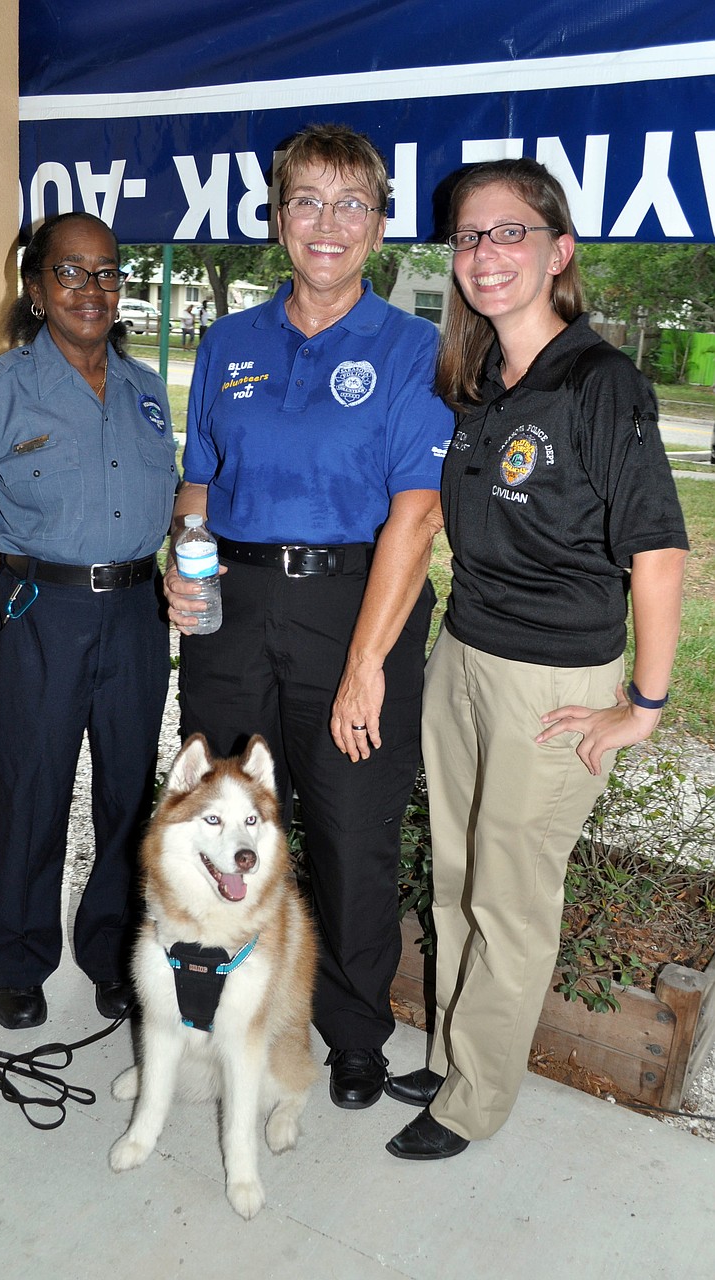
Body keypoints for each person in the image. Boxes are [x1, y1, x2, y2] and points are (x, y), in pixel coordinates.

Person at [384, 158, 688, 1160]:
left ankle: (473, 1099)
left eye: (508, 232)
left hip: (553, 683)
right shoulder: (478, 381)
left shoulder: (600, 381)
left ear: (558, 252)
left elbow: (657, 553)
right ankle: (456, 1048)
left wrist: (639, 705)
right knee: (458, 871)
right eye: (469, 237)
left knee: (509, 895)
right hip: (464, 652)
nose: (484, 254)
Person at [163, 123, 453, 1110]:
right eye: (306, 202)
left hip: (355, 606)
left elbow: (416, 514)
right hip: (231, 609)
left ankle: (354, 1029)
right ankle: (215, 998)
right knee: (222, 815)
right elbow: (198, 481)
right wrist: (183, 564)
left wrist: (367, 661)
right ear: (276, 217)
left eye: (350, 204)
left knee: (349, 829)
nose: (326, 223)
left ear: (378, 225)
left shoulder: (417, 348)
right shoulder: (229, 342)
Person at [0, 212, 177, 1030]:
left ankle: (111, 954)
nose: (91, 289)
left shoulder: (143, 392)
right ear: (35, 289)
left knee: (130, 791)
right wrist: (39, 553)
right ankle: (19, 959)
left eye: (106, 273)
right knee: (30, 786)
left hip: (138, 611)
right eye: (71, 272)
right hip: (44, 611)